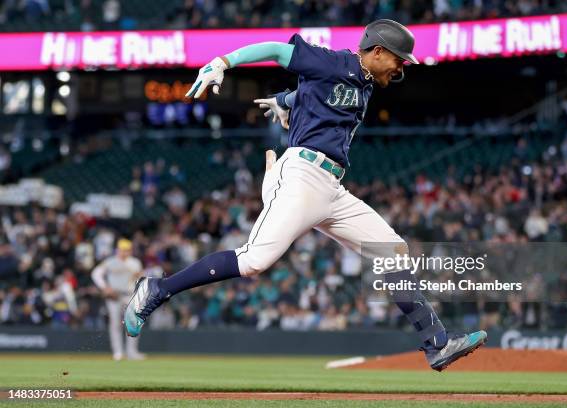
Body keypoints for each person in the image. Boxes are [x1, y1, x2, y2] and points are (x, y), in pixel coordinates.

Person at [124, 19, 486, 371]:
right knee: (253, 261)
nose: (401, 67)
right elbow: (276, 51)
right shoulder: (333, 61)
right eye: (398, 59)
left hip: (332, 187)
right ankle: (157, 290)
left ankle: (436, 345)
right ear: (377, 51)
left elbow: (319, 93)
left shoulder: (364, 81)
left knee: (392, 252)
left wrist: (286, 99)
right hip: (301, 174)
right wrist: (223, 62)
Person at [93, 239, 145, 360]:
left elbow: (140, 278)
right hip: (114, 295)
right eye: (123, 250)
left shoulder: (135, 262)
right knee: (115, 324)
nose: (125, 252)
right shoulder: (110, 262)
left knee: (133, 324)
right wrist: (105, 287)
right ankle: (118, 352)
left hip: (130, 295)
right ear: (118, 250)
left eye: (127, 250)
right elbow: (95, 273)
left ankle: (132, 352)